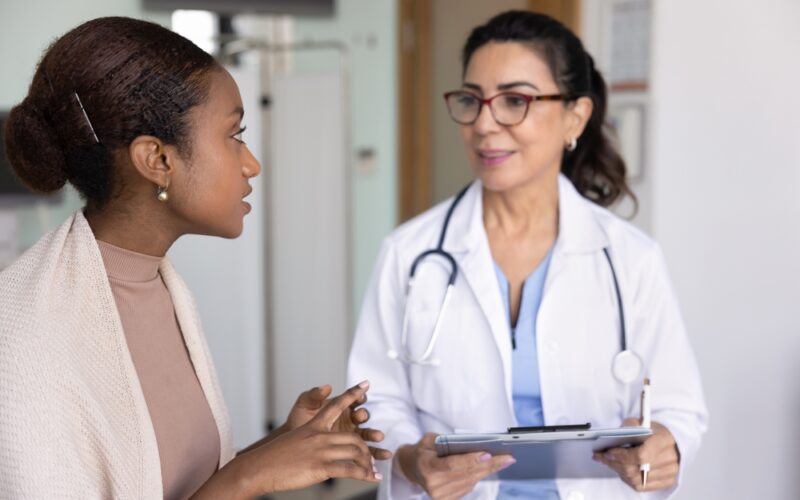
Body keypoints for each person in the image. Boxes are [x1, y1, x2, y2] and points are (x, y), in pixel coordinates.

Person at [0, 17, 389, 499]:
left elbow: (165, 483)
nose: (252, 164)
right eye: (234, 135)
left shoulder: (161, 287)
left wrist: (282, 446)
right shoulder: (26, 338)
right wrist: (250, 477)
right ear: (158, 160)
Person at [348, 10, 707, 499]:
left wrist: (666, 448)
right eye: (472, 100)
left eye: (514, 100)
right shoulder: (409, 254)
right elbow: (377, 402)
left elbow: (679, 408)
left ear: (574, 116)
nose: (484, 124)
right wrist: (411, 459)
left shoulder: (630, 259)